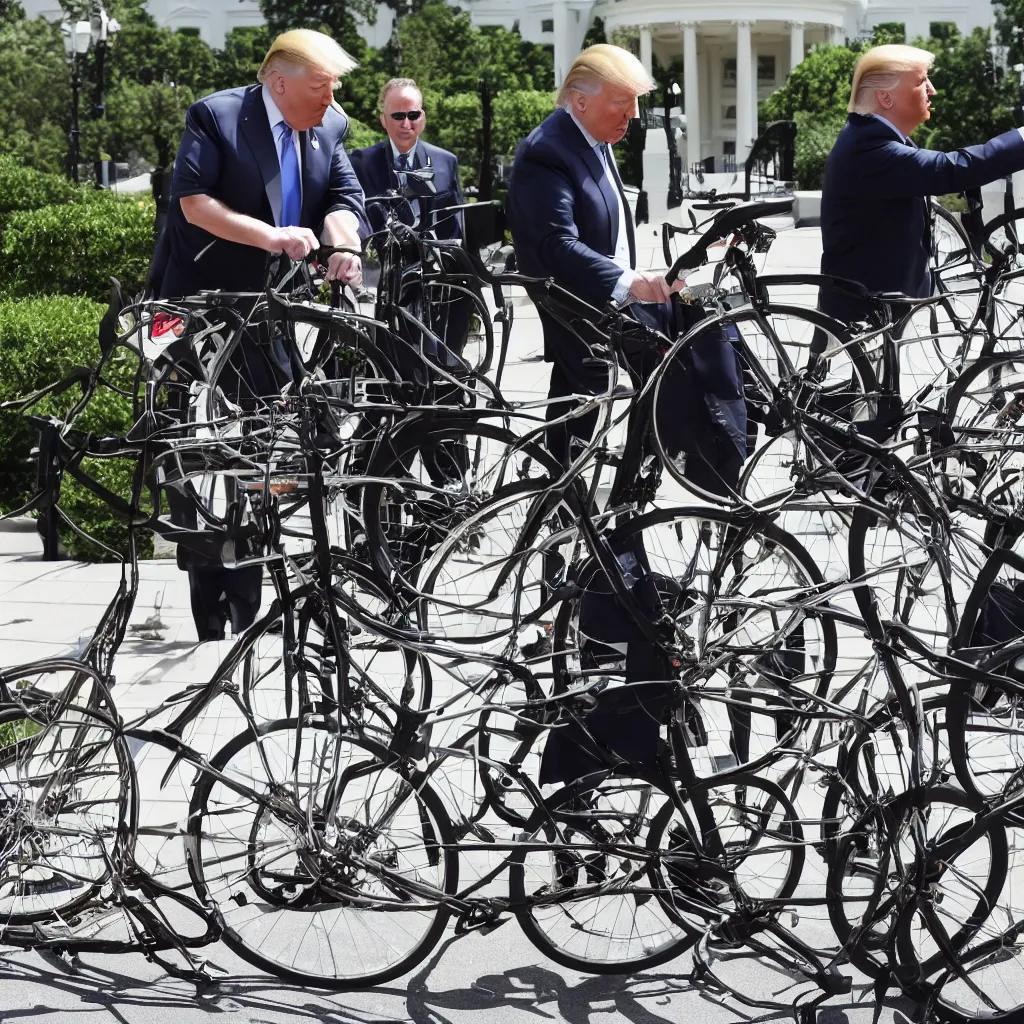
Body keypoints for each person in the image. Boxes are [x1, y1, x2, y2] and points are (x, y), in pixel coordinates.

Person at [149, 28, 369, 642]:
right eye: (320, 87)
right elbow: (193, 203)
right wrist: (272, 236)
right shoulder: (217, 117)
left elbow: (346, 197)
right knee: (189, 448)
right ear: (279, 83)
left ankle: (251, 577)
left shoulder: (330, 126)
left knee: (267, 442)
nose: (330, 100)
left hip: (272, 310)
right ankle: (205, 581)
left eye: (333, 89)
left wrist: (343, 240)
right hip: (197, 303)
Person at [506, 44, 747, 486]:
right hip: (582, 309)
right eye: (622, 101)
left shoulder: (591, 137)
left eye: (635, 102)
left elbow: (607, 230)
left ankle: (619, 491)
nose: (633, 115)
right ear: (580, 100)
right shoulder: (547, 151)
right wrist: (629, 282)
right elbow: (555, 243)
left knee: (707, 331)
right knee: (624, 398)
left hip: (604, 304)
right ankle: (599, 504)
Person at [819, 43, 1024, 324]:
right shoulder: (870, 148)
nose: (932, 90)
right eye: (921, 81)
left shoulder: (871, 136)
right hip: (862, 316)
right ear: (886, 98)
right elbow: (949, 169)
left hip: (875, 306)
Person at [350, 78, 470, 355]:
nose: (407, 124)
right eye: (398, 116)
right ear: (383, 119)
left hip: (436, 278)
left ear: (423, 118)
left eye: (413, 115)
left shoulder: (445, 161)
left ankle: (447, 381)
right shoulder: (360, 163)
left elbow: (456, 226)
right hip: (381, 277)